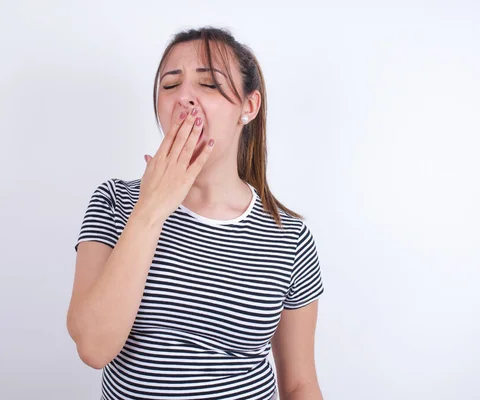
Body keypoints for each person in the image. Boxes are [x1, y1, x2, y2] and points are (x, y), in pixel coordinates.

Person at [66, 26, 325, 400]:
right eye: (171, 85)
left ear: (248, 107)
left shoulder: (290, 236)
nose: (184, 97)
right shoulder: (115, 201)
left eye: (209, 84)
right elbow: (92, 346)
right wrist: (152, 208)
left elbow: (300, 382)